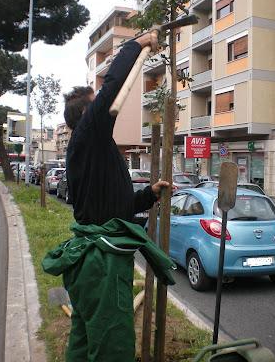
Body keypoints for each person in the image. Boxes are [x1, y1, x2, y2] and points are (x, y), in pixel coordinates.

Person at [42, 32, 176, 362]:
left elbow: (113, 206)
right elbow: (113, 87)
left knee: (85, 340)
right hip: (101, 264)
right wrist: (138, 43)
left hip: (92, 263)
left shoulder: (94, 150)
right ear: (88, 115)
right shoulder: (88, 136)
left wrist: (148, 195)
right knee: (111, 347)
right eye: (96, 102)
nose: (103, 104)